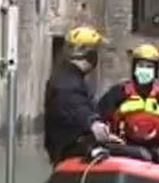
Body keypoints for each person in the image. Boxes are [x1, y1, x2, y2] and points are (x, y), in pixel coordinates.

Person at [43, 25, 121, 164]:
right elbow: (73, 105)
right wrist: (93, 123)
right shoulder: (66, 83)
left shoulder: (70, 78)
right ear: (90, 55)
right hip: (70, 150)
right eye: (96, 52)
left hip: (76, 144)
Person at [96, 43, 159, 165]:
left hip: (154, 148)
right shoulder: (118, 93)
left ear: (156, 70)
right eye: (141, 66)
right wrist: (109, 136)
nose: (144, 70)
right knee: (140, 155)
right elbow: (100, 117)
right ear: (134, 68)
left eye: (149, 67)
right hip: (123, 147)